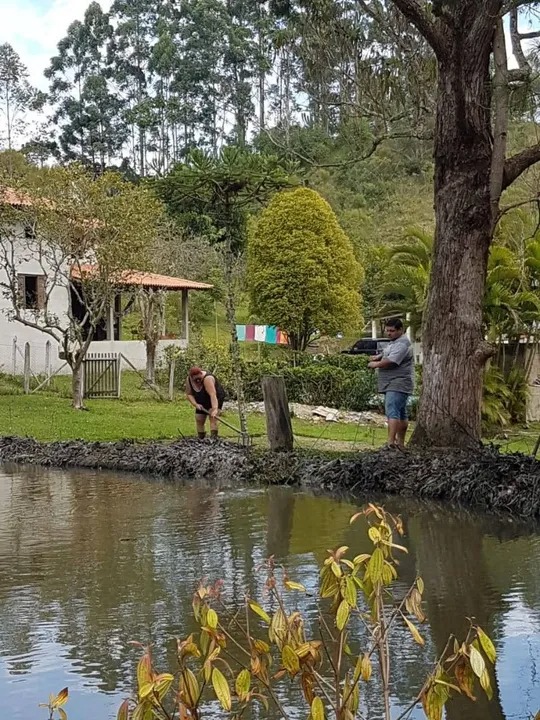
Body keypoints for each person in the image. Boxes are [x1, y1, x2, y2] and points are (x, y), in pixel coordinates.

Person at [368, 318, 414, 448]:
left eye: (392, 331)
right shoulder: (395, 342)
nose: (389, 333)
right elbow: (387, 354)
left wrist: (375, 364)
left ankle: (390, 443)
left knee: (392, 410)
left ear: (400, 330)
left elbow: (392, 361)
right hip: (393, 382)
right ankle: (400, 443)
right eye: (387, 331)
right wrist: (378, 357)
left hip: (398, 382)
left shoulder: (402, 344)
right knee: (401, 412)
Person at [185, 366, 226, 439]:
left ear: (201, 374)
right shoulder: (189, 380)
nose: (198, 381)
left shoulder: (208, 379)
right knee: (199, 418)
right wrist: (195, 404)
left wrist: (215, 409)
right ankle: (201, 438)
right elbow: (189, 394)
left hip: (215, 396)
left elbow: (213, 395)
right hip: (201, 397)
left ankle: (214, 439)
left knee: (213, 417)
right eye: (195, 380)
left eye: (199, 379)